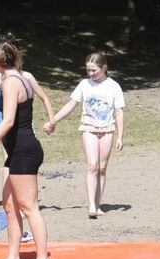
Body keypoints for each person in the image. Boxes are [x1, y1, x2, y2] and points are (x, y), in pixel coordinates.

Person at [0, 40, 54, 259]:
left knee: (29, 207)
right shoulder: (20, 77)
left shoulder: (12, 82)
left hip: (24, 150)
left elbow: (8, 121)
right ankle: (13, 258)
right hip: (16, 152)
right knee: (10, 206)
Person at [46, 52, 127, 219]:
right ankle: (91, 205)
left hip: (107, 130)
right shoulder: (84, 84)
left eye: (94, 70)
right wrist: (53, 121)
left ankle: (98, 204)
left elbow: (119, 112)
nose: (91, 73)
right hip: (89, 128)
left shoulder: (114, 86)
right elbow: (71, 105)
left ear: (104, 68)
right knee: (92, 165)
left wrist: (120, 136)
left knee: (102, 168)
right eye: (88, 70)